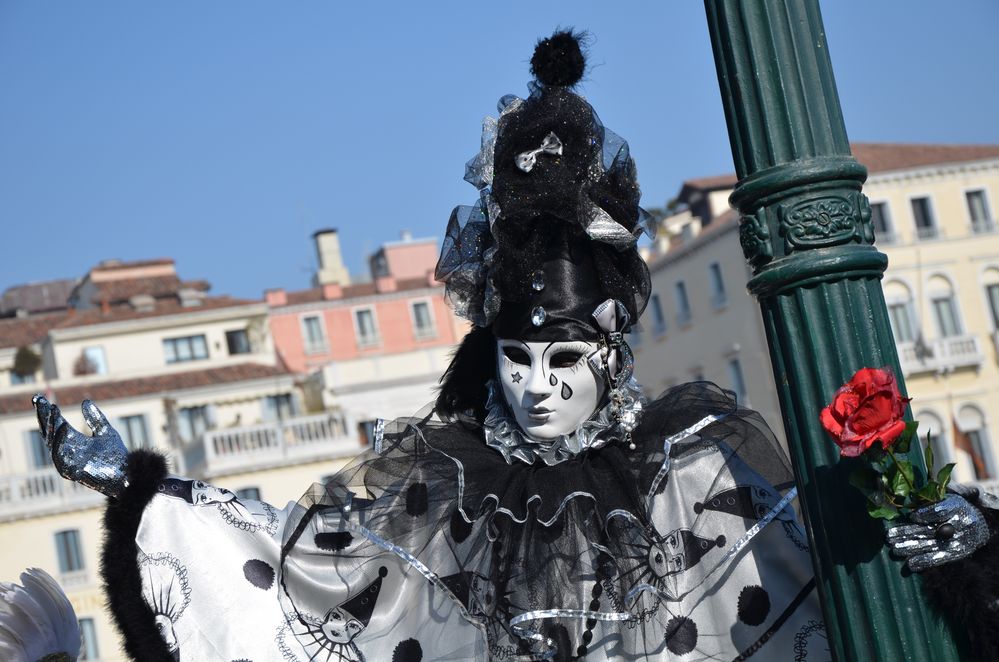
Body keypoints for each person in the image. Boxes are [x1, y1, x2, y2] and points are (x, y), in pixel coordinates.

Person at [25, 31, 995, 662]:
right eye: (518, 358)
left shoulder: (700, 477)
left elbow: (838, 580)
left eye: (563, 360)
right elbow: (290, 572)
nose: (535, 386)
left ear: (610, 351)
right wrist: (138, 488)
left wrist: (963, 547)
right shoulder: (442, 497)